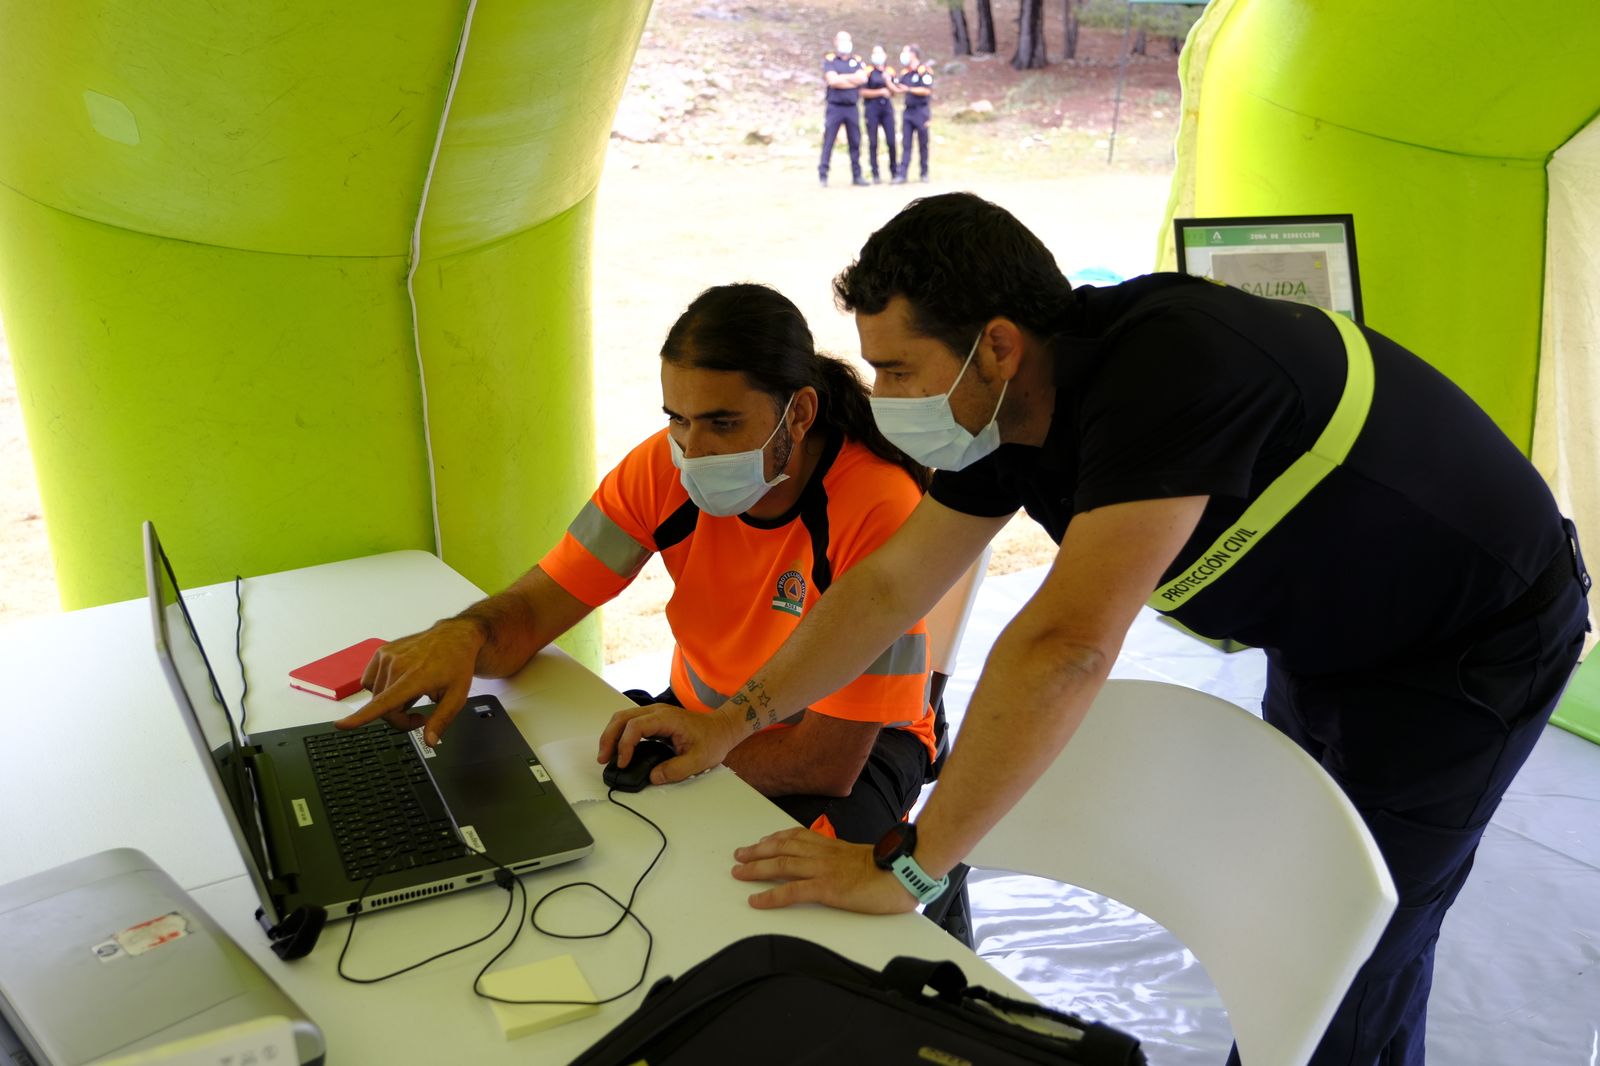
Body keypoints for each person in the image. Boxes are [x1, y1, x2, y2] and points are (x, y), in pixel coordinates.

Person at [600, 194, 1591, 1066]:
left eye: (896, 368)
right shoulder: (1004, 414)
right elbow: (887, 584)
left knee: (1343, 940)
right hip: (1331, 631)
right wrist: (735, 718)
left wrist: (910, 864)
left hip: (1470, 642)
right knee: (1299, 888)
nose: (879, 398)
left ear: (995, 345)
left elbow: (1066, 643)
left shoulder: (1172, 369)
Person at [337, 283, 939, 845]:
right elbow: (539, 607)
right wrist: (463, 635)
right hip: (703, 721)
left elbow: (825, 763)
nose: (693, 450)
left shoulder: (877, 507)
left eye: (723, 423)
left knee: (751, 897)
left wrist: (690, 757)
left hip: (851, 752)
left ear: (800, 414)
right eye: (677, 418)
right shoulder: (662, 469)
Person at [818, 31, 869, 188]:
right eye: (842, 40)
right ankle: (823, 174)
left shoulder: (857, 60)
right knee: (829, 141)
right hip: (835, 107)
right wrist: (851, 80)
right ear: (835, 42)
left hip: (852, 107)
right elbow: (832, 80)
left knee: (855, 141)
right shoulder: (830, 60)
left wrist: (842, 78)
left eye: (848, 40)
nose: (845, 43)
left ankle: (857, 175)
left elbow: (862, 78)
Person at [892, 46, 933, 184]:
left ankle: (924, 173)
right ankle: (902, 174)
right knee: (906, 144)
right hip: (908, 111)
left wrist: (909, 89)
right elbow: (899, 88)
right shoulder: (905, 73)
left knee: (923, 144)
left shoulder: (924, 71)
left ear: (913, 54)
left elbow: (927, 91)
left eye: (905, 52)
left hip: (921, 111)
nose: (903, 55)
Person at [860, 45, 898, 184]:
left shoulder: (890, 71)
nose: (877, 55)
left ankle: (894, 171)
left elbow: (895, 92)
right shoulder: (868, 71)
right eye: (875, 52)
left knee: (891, 141)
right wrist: (880, 92)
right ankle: (875, 173)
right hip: (872, 108)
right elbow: (862, 92)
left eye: (880, 53)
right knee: (873, 142)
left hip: (887, 108)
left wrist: (888, 82)